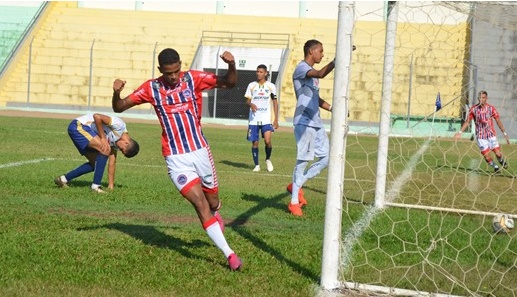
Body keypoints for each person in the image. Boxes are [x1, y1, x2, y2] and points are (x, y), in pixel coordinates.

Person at [111, 48, 242, 271]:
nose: (174, 77)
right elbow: (119, 107)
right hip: (175, 157)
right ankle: (229, 254)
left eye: (177, 71)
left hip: (200, 151)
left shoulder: (193, 78)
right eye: (169, 73)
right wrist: (116, 93)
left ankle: (216, 212)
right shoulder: (151, 88)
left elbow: (229, 83)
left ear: (181, 65)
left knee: (212, 203)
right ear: (161, 70)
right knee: (200, 205)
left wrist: (231, 65)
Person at [287, 39, 334, 217]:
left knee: (325, 158)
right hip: (304, 122)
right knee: (303, 160)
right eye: (320, 51)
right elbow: (322, 73)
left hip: (317, 122)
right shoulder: (302, 68)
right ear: (311, 51)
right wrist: (338, 61)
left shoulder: (312, 78)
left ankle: (297, 184)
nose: (322, 54)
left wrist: (332, 108)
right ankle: (293, 203)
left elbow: (316, 98)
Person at [54, 113, 140, 192]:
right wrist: (103, 138)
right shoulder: (119, 126)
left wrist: (111, 186)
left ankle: (62, 179)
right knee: (105, 149)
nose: (119, 150)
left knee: (95, 163)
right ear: (126, 143)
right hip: (78, 126)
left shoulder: (117, 142)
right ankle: (95, 187)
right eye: (122, 149)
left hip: (82, 131)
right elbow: (97, 116)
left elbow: (112, 162)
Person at [455, 90, 510, 173]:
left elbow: (498, 121)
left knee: (498, 153)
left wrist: (504, 133)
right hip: (481, 137)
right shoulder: (473, 109)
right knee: (486, 156)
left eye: (483, 98)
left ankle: (501, 160)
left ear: (486, 98)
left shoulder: (491, 109)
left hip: (491, 135)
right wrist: (460, 132)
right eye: (479, 97)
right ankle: (495, 167)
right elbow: (467, 122)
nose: (481, 99)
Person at [245, 64, 279, 172]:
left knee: (268, 141)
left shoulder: (271, 86)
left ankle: (268, 159)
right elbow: (247, 101)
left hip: (266, 119)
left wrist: (276, 119)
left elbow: (275, 102)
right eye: (257, 71)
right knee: (255, 143)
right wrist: (251, 105)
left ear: (265, 73)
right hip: (254, 119)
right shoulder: (251, 85)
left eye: (260, 72)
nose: (258, 73)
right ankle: (257, 165)